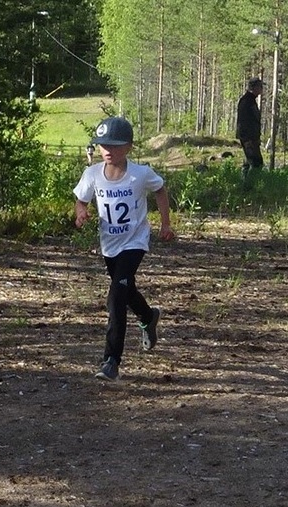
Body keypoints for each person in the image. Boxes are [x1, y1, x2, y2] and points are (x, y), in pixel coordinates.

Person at [73, 116, 175, 381]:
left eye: (114, 145)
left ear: (128, 147)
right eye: (103, 145)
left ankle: (111, 361)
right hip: (109, 245)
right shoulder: (92, 174)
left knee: (116, 296)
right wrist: (81, 213)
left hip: (135, 242)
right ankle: (148, 316)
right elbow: (81, 200)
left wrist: (165, 224)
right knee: (126, 289)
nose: (107, 150)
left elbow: (160, 189)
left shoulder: (140, 174)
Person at [236, 77, 264, 184]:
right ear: (254, 87)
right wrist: (247, 139)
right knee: (256, 163)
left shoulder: (250, 100)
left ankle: (244, 183)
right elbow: (243, 122)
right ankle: (248, 185)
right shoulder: (246, 101)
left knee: (250, 162)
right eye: (260, 86)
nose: (261, 89)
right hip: (248, 138)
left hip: (252, 138)